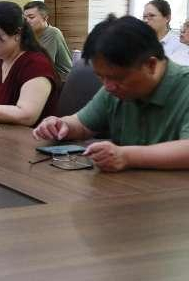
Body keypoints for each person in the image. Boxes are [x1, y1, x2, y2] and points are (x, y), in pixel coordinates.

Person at [33, 14, 189, 172]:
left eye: (118, 78)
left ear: (150, 65)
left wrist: (127, 156)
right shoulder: (115, 88)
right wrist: (62, 125)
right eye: (101, 77)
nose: (108, 87)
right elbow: (82, 125)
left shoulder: (184, 87)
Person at [22, 1, 72, 81]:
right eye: (25, 18)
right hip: (44, 76)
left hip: (62, 80)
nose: (27, 21)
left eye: (31, 17)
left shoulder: (53, 33)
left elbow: (41, 64)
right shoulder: (29, 34)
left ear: (45, 18)